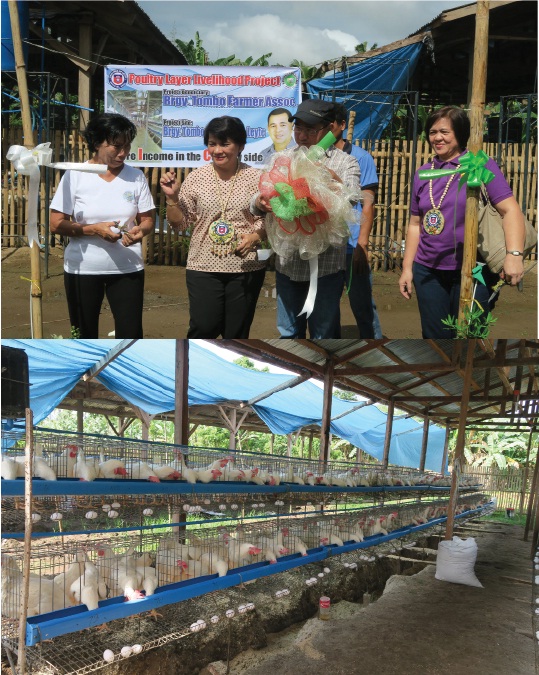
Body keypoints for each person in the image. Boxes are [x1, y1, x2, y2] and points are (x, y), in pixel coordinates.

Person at [398, 106, 525, 338]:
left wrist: (514, 255)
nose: (437, 137)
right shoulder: (423, 174)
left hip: (473, 269)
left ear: (460, 132)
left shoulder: (478, 164)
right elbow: (415, 224)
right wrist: (407, 268)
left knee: (472, 334)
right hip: (428, 272)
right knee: (435, 338)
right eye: (433, 131)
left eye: (444, 131)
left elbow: (510, 210)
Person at [252, 99, 360, 338]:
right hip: (288, 261)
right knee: (288, 332)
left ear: (329, 129)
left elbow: (352, 197)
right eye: (298, 128)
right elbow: (256, 198)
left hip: (327, 263)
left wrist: (332, 182)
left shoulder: (345, 162)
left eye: (310, 130)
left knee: (324, 333)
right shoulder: (282, 158)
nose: (301, 136)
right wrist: (260, 202)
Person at [50, 112, 155, 338]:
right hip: (83, 268)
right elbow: (56, 224)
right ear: (97, 143)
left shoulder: (135, 177)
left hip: (127, 267)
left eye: (126, 146)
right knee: (83, 334)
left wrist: (140, 231)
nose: (123, 153)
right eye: (116, 146)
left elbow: (147, 220)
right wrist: (92, 230)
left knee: (131, 333)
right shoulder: (75, 175)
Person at [161, 116, 266, 338]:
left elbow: (268, 218)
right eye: (212, 143)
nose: (217, 150)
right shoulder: (197, 177)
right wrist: (172, 199)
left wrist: (256, 236)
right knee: (203, 328)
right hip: (202, 267)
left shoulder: (256, 178)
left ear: (240, 146)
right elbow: (181, 223)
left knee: (237, 333)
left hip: (245, 268)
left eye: (224, 143)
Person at [330, 103, 382, 338]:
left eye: (330, 124)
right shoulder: (313, 157)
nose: (324, 130)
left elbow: (368, 203)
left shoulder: (361, 157)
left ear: (342, 125)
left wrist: (362, 243)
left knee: (362, 304)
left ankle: (374, 342)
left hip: (352, 246)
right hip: (326, 246)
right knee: (327, 307)